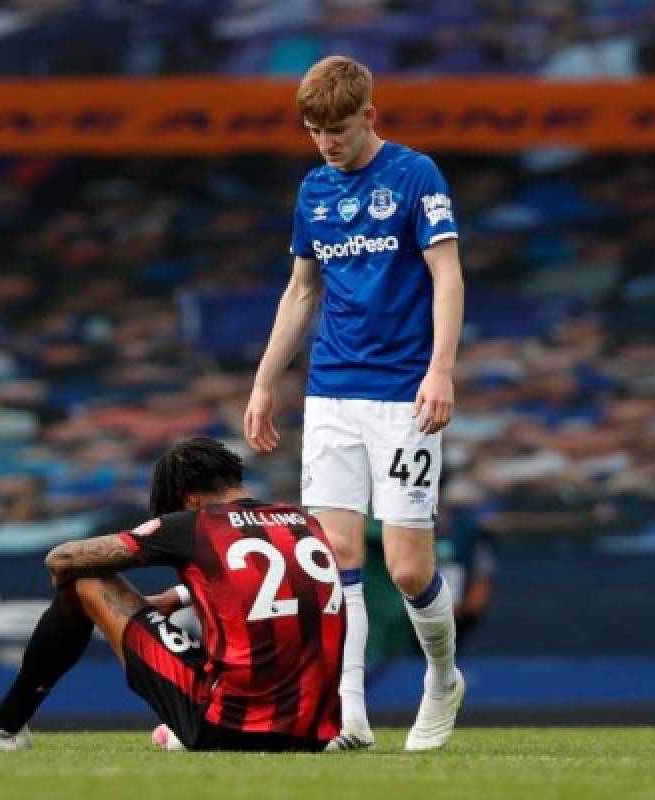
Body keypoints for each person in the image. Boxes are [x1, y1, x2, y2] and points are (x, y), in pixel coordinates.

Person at [243, 54, 465, 751]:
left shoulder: (413, 175)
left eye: (336, 128)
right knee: (334, 557)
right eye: (314, 130)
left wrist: (441, 370)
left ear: (368, 115)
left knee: (405, 566)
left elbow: (448, 275)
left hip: (403, 392)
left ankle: (443, 678)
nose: (326, 142)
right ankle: (352, 713)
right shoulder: (313, 191)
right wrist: (264, 381)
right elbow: (303, 291)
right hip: (333, 391)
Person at [0, 436, 346, 753]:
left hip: (229, 728)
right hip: (313, 732)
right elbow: (279, 587)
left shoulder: (193, 524)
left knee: (83, 580)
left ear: (190, 499)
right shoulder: (300, 520)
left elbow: (62, 558)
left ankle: (2, 727)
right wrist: (182, 595)